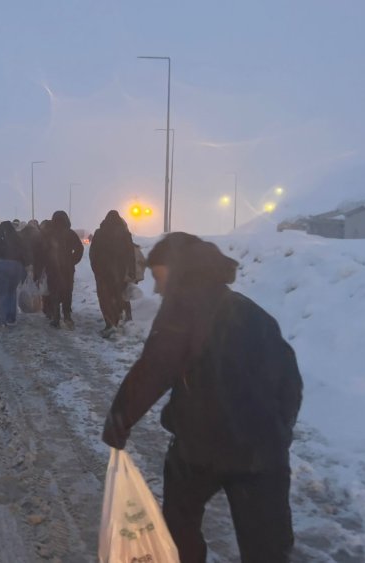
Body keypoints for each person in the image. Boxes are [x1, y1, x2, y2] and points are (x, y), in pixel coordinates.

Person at [101, 233, 303, 563]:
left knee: (178, 529)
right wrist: (279, 431)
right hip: (263, 453)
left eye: (158, 276)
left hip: (201, 450)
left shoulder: (183, 308)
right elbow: (290, 381)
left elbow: (155, 368)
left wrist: (119, 420)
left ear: (178, 269)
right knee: (267, 547)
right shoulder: (251, 312)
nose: (155, 288)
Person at [89, 210, 136, 338]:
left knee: (105, 298)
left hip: (103, 272)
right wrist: (131, 271)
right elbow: (131, 254)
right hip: (120, 271)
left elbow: (93, 253)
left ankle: (110, 324)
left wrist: (96, 269)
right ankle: (124, 320)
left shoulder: (100, 233)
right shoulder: (125, 234)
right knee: (121, 295)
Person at [34, 211, 83, 329]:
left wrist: (40, 268)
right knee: (67, 291)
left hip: (52, 268)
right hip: (68, 269)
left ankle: (55, 317)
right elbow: (79, 248)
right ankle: (67, 316)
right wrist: (72, 260)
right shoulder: (70, 234)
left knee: (54, 291)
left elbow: (41, 252)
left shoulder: (48, 234)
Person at [0, 221, 27, 326]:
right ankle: (11, 318)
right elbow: (24, 253)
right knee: (12, 292)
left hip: (1, 266)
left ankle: (2, 320)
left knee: (2, 293)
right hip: (16, 266)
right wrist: (27, 266)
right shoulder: (19, 238)